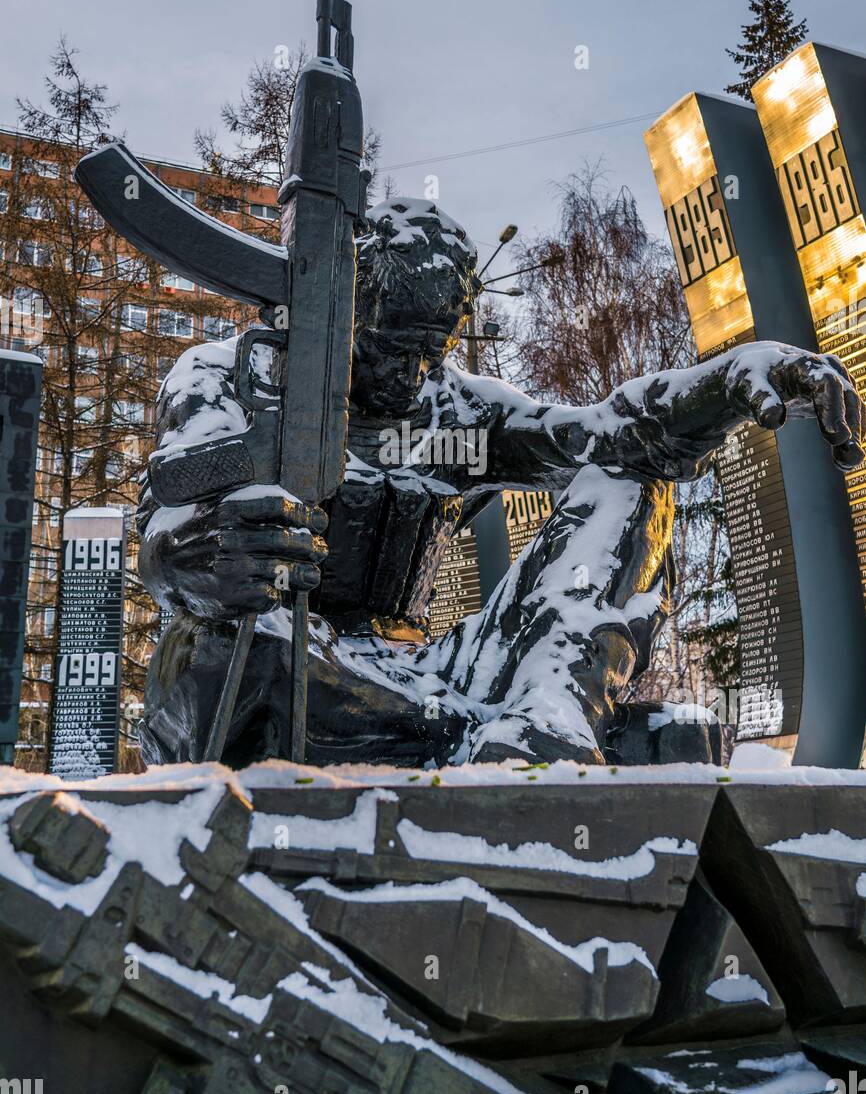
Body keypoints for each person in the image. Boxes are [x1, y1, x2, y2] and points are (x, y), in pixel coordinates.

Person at [138, 198, 864, 770]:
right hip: (276, 665)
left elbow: (607, 433)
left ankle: (550, 713)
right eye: (396, 349)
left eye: (434, 351)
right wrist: (202, 557)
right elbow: (164, 533)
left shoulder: (455, 410)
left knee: (631, 474)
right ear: (346, 308)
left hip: (425, 671)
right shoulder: (228, 377)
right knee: (236, 639)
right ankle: (491, 733)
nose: (415, 375)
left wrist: (733, 378)